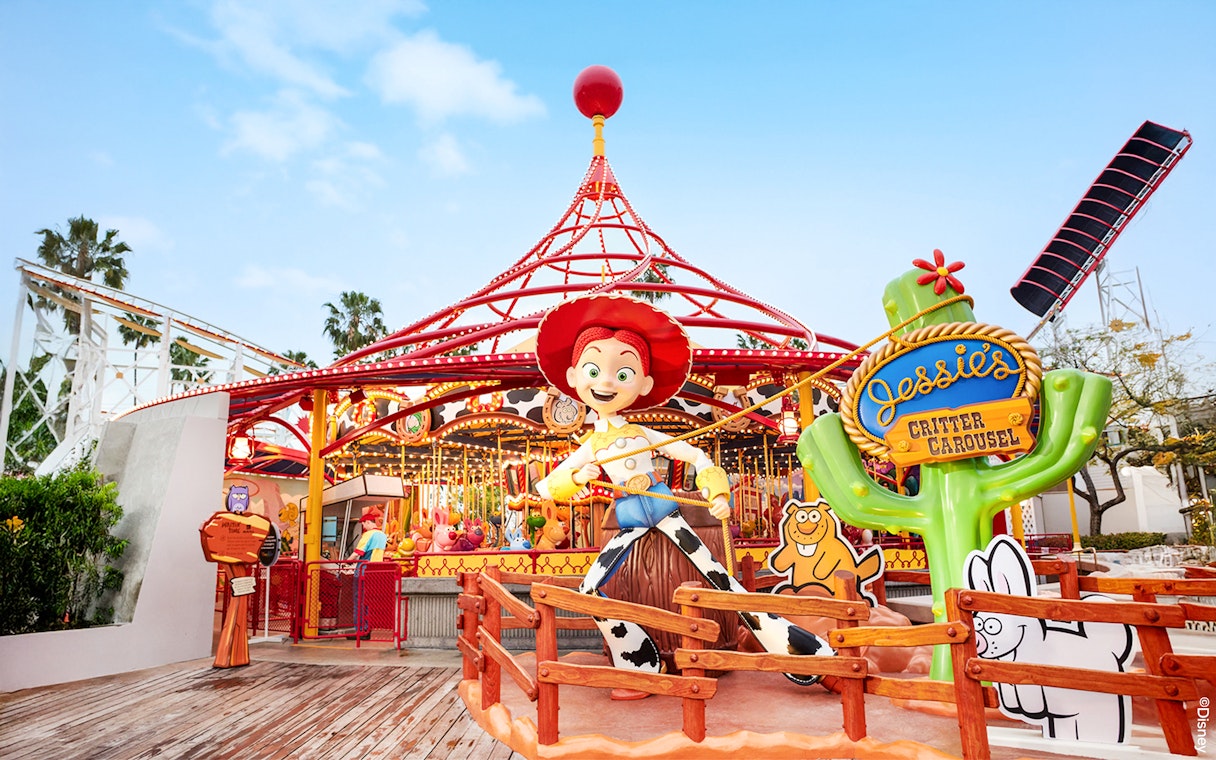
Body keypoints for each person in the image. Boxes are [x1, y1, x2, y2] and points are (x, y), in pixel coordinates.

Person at [535, 294, 834, 698]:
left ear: (643, 384)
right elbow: (547, 486)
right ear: (574, 377)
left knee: (725, 583)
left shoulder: (643, 435)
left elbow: (695, 454)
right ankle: (640, 661)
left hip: (664, 509)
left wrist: (717, 492)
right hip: (629, 519)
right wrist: (577, 475)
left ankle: (809, 658)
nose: (606, 382)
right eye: (594, 370)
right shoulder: (591, 443)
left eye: (622, 374)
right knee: (589, 589)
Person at [346, 507, 386, 639]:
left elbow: (358, 553)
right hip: (375, 571)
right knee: (368, 601)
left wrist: (347, 561)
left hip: (363, 570)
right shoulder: (382, 535)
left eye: (363, 524)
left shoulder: (368, 535)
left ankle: (360, 630)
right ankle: (367, 628)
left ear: (368, 522)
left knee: (359, 600)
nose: (363, 526)